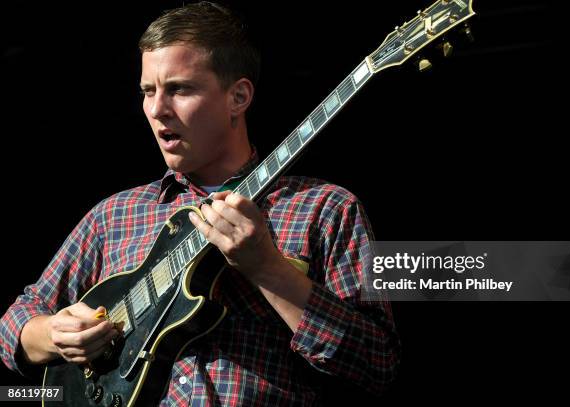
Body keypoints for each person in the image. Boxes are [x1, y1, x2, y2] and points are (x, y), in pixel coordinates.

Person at [0, 2, 400, 405]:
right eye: (148, 92)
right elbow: (15, 322)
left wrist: (268, 268)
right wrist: (53, 333)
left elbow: (376, 364)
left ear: (238, 97)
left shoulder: (326, 209)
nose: (157, 110)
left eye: (179, 89)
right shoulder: (113, 216)